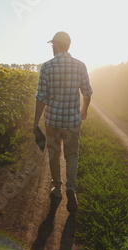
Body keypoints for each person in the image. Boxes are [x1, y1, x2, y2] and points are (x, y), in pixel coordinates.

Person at [33, 31, 93, 213]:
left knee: (54, 153)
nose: (52, 48)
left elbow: (41, 97)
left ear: (57, 45)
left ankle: (57, 188)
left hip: (52, 121)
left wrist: (35, 122)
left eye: (53, 45)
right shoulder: (80, 65)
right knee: (72, 155)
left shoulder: (47, 67)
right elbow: (87, 92)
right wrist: (84, 110)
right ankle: (71, 188)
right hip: (72, 121)